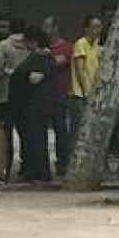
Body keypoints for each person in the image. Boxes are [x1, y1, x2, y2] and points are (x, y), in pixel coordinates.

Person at [10, 26, 59, 185]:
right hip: (36, 103)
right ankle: (36, 170)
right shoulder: (44, 58)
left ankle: (39, 171)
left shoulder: (41, 58)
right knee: (34, 137)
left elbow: (33, 78)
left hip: (36, 103)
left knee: (36, 138)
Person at [0, 17, 29, 185]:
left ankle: (4, 171)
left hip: (5, 96)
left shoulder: (3, 46)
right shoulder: (29, 46)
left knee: (5, 136)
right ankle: (26, 169)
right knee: (26, 134)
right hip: (25, 97)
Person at [43, 17, 74, 176]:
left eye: (47, 26)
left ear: (55, 28)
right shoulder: (44, 48)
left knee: (61, 131)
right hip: (44, 96)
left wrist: (45, 58)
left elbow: (58, 62)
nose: (45, 30)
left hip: (61, 94)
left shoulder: (67, 47)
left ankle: (63, 162)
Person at [70, 15, 103, 140]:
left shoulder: (96, 45)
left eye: (99, 27)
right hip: (80, 95)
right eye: (94, 27)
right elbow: (80, 71)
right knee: (78, 130)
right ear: (86, 28)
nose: (97, 30)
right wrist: (87, 92)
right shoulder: (81, 43)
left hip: (93, 93)